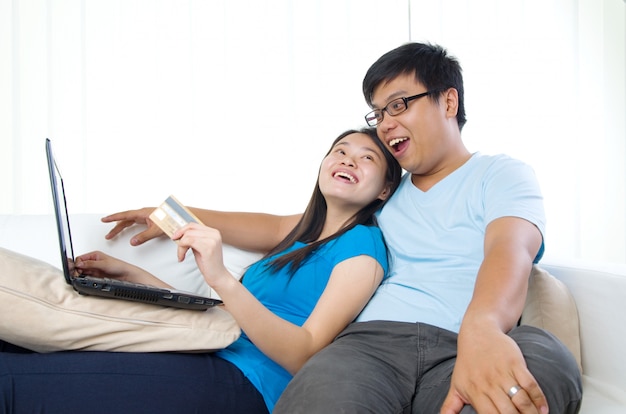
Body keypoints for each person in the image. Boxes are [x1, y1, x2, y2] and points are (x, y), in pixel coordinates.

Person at [103, 43, 583, 413]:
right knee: (325, 392)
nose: (385, 123)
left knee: (545, 360)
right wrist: (172, 215)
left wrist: (483, 328)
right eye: (378, 112)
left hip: (463, 340)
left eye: (399, 104)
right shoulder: (384, 195)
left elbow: (510, 251)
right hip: (369, 346)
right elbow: (283, 227)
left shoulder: (501, 173)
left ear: (448, 100)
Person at [0, 128, 402, 413]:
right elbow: (222, 314)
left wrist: (222, 277)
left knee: (13, 383)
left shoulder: (362, 249)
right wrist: (131, 273)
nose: (348, 159)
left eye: (367, 158)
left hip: (246, 381)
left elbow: (305, 355)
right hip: (204, 349)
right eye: (341, 150)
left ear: (384, 189)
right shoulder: (299, 231)